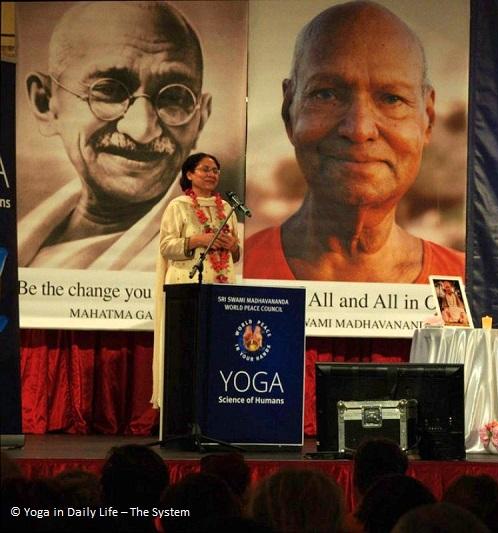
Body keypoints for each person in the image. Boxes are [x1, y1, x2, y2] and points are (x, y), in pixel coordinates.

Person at [244, 0, 464, 283]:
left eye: (391, 99)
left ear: (428, 120)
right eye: (326, 95)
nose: (359, 129)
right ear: (289, 112)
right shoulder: (234, 274)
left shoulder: (467, 284)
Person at [19, 1, 211, 270]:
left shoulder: (214, 253)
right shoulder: (21, 239)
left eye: (174, 97)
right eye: (110, 90)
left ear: (200, 118)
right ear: (45, 103)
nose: (142, 130)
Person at [151, 153, 239, 407]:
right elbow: (166, 247)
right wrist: (197, 240)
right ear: (189, 174)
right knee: (186, 348)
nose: (212, 174)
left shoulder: (228, 209)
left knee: (217, 347)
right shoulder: (178, 206)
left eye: (216, 170)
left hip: (221, 287)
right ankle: (182, 404)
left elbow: (236, 255)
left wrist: (233, 245)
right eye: (205, 169)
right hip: (186, 286)